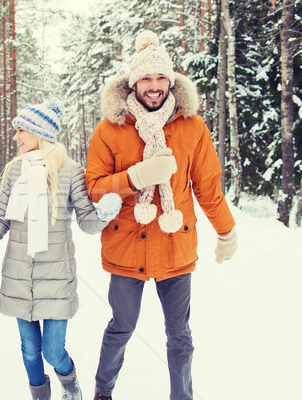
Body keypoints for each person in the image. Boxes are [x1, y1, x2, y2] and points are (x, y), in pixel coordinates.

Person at [85, 31, 238, 400]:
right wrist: (135, 177)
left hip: (175, 244)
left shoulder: (192, 126)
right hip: (125, 246)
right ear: (133, 82)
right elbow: (94, 187)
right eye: (146, 79)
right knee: (121, 327)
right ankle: (102, 392)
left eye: (160, 78)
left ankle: (181, 396)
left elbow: (207, 186)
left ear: (171, 80)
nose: (154, 86)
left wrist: (226, 231)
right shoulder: (110, 129)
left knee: (180, 334)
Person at [0, 100, 122, 400]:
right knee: (30, 351)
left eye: (21, 130)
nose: (16, 136)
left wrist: (103, 215)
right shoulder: (14, 171)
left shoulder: (71, 170)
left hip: (56, 277)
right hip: (19, 275)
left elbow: (86, 223)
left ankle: (70, 385)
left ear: (40, 133)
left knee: (52, 350)